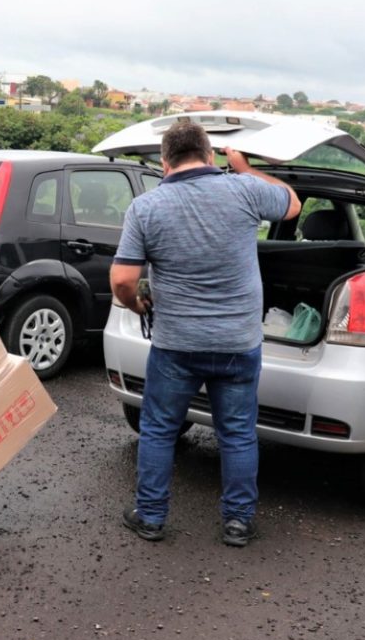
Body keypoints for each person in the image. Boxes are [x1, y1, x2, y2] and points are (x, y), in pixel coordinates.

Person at [111, 121, 301, 547]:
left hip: (176, 344)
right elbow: (292, 204)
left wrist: (137, 304)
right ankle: (237, 522)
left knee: (159, 430)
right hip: (238, 344)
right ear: (210, 155)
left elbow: (122, 280)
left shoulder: (146, 208)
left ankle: (151, 516)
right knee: (236, 433)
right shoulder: (244, 190)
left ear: (164, 162)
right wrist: (246, 168)